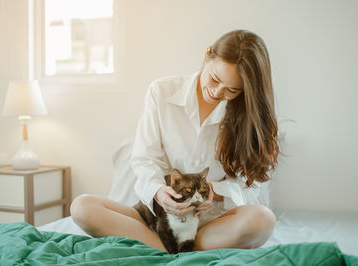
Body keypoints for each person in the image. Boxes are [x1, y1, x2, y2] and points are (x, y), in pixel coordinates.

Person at [70, 29, 279, 251]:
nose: (217, 92)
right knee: (82, 207)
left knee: (262, 220)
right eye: (214, 79)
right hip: (159, 219)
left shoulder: (250, 118)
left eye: (232, 90)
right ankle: (175, 249)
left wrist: (213, 192)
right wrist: (160, 193)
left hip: (213, 223)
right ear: (207, 54)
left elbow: (252, 186)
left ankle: (161, 249)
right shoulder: (161, 92)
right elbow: (144, 159)